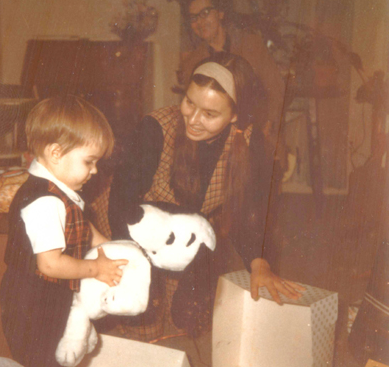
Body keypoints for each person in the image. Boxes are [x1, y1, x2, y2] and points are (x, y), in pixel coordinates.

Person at [106, 53, 304, 341]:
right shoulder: (154, 129)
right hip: (133, 227)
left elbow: (247, 211)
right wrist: (130, 266)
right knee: (140, 324)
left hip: (188, 235)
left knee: (185, 322)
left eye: (210, 114)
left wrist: (259, 263)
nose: (194, 120)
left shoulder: (249, 141)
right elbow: (120, 204)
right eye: (189, 103)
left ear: (235, 115)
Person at [0, 95, 128, 367]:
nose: (94, 171)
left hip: (46, 296)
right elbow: (50, 264)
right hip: (32, 302)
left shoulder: (60, 191)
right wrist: (96, 269)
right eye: (89, 162)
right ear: (56, 153)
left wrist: (112, 249)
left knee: (57, 360)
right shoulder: (46, 202)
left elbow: (83, 227)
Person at [178, 0, 286, 138]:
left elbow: (276, 89)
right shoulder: (193, 62)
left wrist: (268, 124)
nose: (199, 22)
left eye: (205, 13)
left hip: (260, 131)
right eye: (193, 18)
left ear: (220, 13)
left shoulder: (251, 45)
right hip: (214, 138)